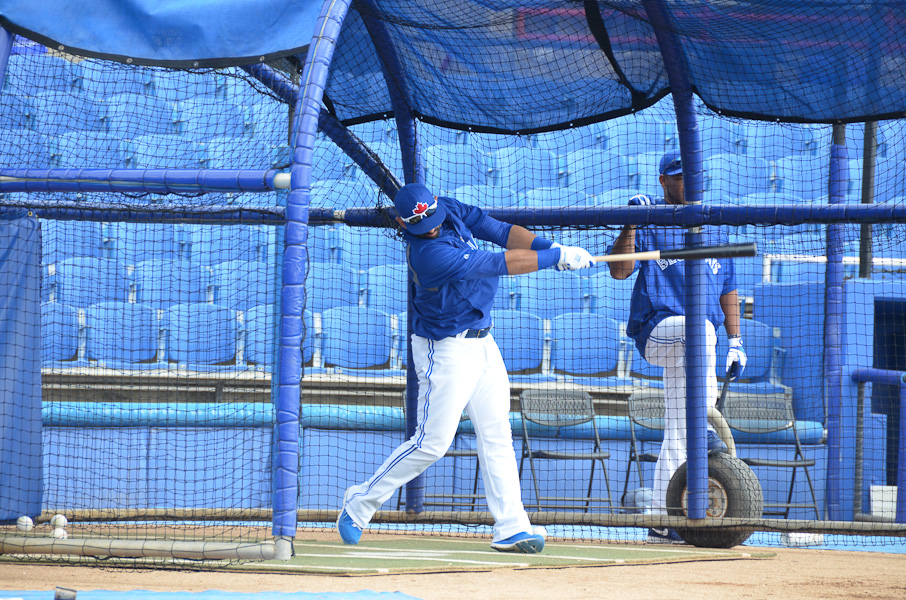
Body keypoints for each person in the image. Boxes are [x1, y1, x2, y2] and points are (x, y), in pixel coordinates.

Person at [337, 182, 596, 553]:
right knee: (432, 444)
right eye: (418, 224)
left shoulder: (450, 210)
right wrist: (555, 258)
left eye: (431, 218)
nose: (429, 227)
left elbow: (502, 233)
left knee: (497, 434)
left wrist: (550, 247)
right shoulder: (426, 254)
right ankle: (360, 501)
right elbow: (496, 263)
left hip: (483, 342)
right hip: (444, 351)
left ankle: (511, 526)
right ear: (402, 222)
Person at [606, 150, 747, 544]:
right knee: (699, 329)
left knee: (678, 426)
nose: (689, 182)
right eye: (680, 176)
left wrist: (736, 340)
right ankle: (704, 422)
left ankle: (660, 515)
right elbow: (619, 271)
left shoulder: (716, 226)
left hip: (698, 346)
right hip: (657, 333)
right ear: (664, 181)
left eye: (694, 175)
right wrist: (632, 222)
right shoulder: (650, 217)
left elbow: (729, 289)